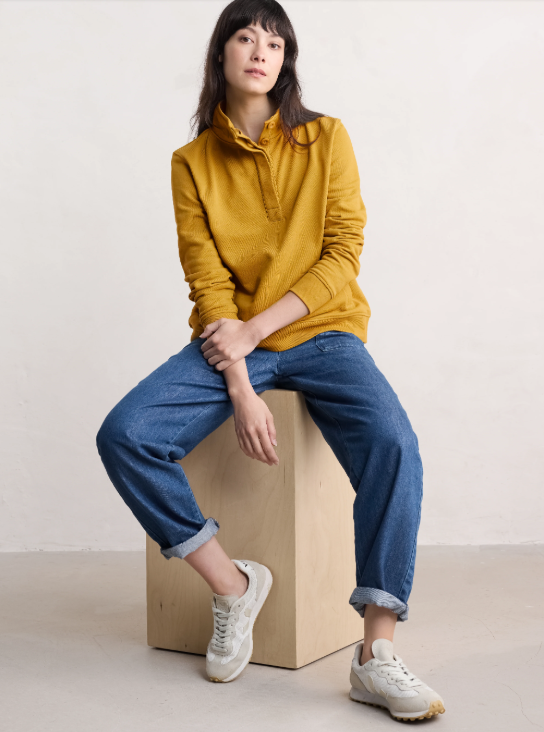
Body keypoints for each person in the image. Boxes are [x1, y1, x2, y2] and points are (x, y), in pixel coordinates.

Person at [96, 0, 446, 722]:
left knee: (393, 446)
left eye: (276, 42)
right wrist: (238, 380)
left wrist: (256, 332)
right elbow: (207, 280)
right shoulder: (191, 163)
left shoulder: (326, 137)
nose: (261, 51)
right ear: (220, 53)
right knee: (126, 434)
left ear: (286, 61)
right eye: (246, 37)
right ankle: (232, 586)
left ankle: (375, 653)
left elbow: (341, 254)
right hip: (230, 341)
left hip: (323, 333)